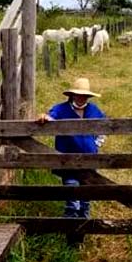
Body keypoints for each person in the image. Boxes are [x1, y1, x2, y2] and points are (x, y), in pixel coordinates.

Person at [35, 78, 106, 219]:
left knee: (85, 202)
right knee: (73, 202)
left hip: (89, 163)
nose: (81, 98)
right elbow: (50, 118)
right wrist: (44, 117)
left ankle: (80, 237)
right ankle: (71, 237)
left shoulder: (94, 110)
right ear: (72, 95)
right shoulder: (61, 109)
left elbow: (104, 127)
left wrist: (96, 144)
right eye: (79, 95)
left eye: (85, 95)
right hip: (68, 163)